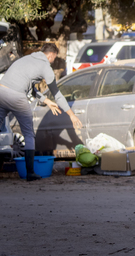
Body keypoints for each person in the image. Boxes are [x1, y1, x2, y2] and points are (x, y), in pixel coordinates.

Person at [0, 43, 83, 181]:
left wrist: (46, 101)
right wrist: (72, 115)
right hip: (16, 97)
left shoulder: (26, 59)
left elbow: (30, 87)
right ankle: (30, 173)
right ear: (51, 55)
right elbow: (57, 94)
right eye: (54, 58)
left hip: (1, 92)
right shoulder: (46, 67)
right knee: (29, 134)